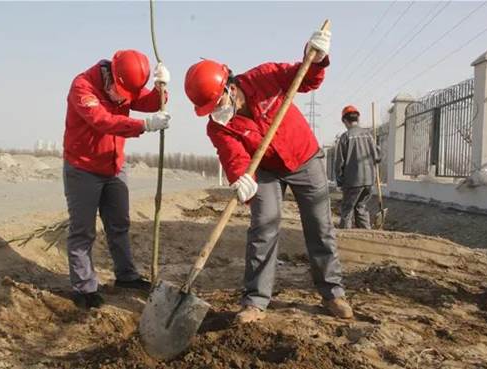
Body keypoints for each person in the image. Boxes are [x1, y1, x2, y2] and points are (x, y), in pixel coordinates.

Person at [183, 30, 353, 322]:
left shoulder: (265, 77)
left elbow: (306, 77)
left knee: (319, 227)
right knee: (263, 226)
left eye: (217, 105)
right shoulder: (218, 126)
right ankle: (255, 301)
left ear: (230, 88)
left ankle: (332, 293)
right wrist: (241, 179)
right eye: (209, 110)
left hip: (304, 158)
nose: (217, 113)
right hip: (264, 170)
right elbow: (233, 156)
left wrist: (318, 58)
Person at [63, 49, 171, 309]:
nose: (125, 99)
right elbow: (103, 122)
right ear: (111, 75)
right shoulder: (83, 87)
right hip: (83, 169)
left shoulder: (125, 85)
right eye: (123, 93)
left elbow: (151, 103)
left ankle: (126, 276)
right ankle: (84, 287)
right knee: (82, 231)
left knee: (119, 225)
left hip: (114, 168)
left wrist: (161, 89)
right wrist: (143, 126)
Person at [334, 105, 381, 229]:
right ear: (357, 119)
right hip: (369, 180)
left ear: (344, 120)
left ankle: (346, 237)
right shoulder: (368, 135)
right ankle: (367, 236)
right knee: (361, 207)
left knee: (347, 209)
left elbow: (339, 162)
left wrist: (339, 180)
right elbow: (377, 157)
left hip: (352, 181)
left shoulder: (345, 137)